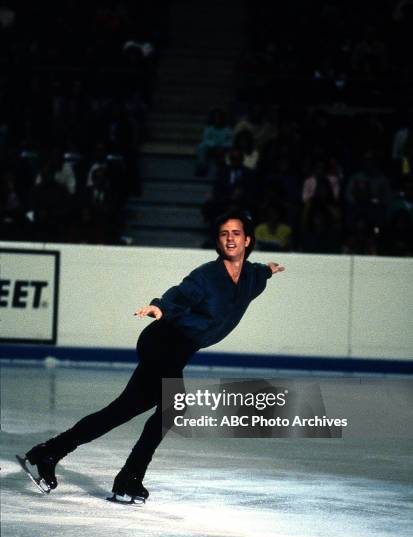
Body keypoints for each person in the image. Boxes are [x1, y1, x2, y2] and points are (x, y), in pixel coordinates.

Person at [17, 210, 285, 504]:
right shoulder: (207, 275)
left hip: (178, 352)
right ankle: (129, 479)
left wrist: (271, 269)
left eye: (236, 233)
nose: (229, 239)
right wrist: (159, 307)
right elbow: (179, 294)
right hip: (162, 341)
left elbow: (262, 271)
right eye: (223, 234)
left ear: (248, 240)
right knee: (173, 408)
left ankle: (48, 452)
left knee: (120, 411)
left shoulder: (252, 277)